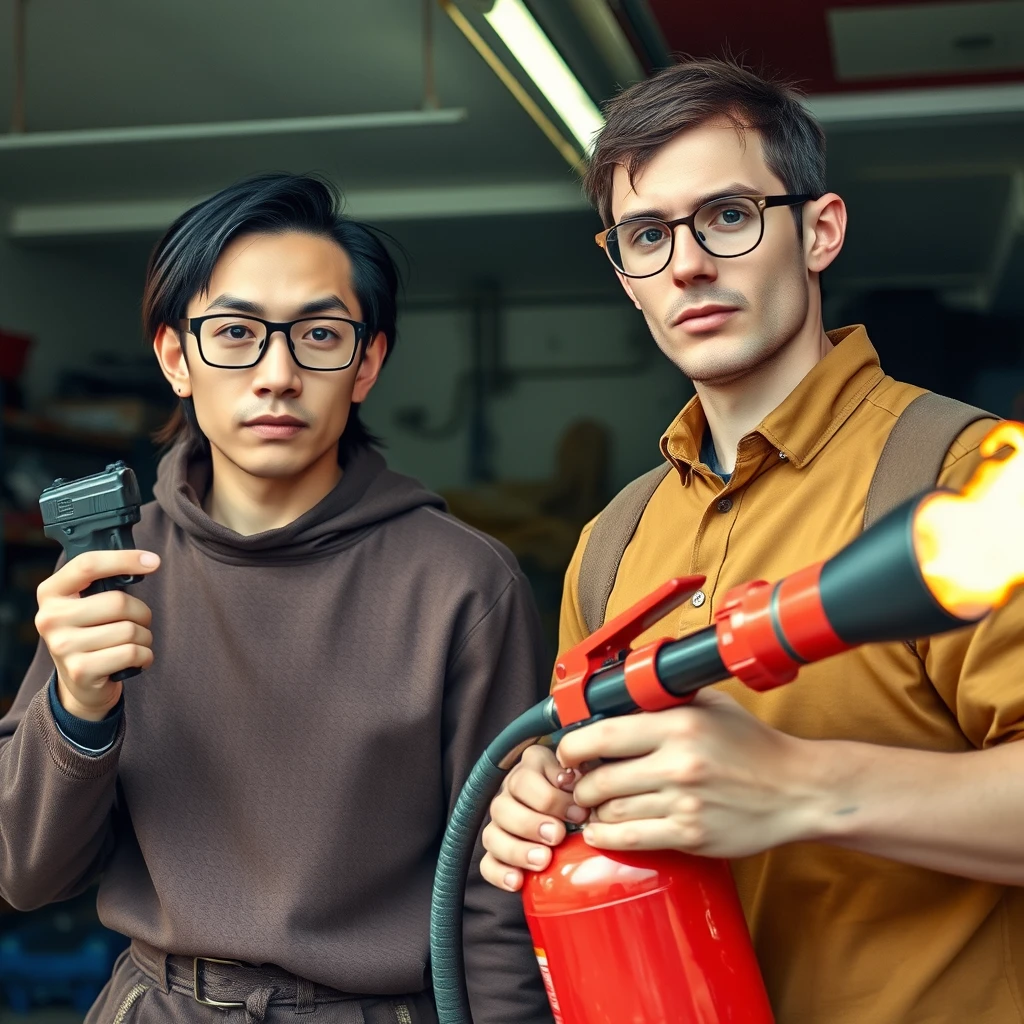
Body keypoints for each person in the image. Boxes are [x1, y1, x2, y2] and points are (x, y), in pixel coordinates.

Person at [479, 59, 1024, 1023]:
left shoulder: (970, 481)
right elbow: (592, 789)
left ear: (820, 231)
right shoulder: (613, 541)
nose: (687, 263)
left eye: (727, 217)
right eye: (648, 235)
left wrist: (803, 787)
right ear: (625, 277)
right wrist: (544, 801)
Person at [0, 174, 553, 1024]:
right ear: (175, 357)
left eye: (320, 335)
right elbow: (28, 874)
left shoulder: (463, 586)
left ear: (366, 363)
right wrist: (77, 707)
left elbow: (500, 888)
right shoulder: (111, 566)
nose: (277, 374)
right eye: (235, 333)